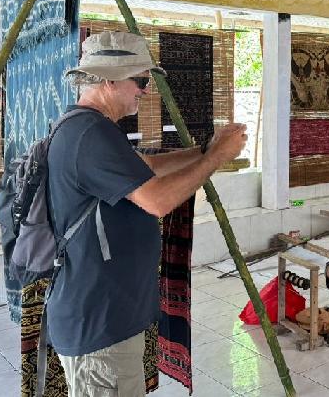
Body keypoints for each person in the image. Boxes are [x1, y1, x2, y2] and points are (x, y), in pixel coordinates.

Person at [46, 31, 247, 396]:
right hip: (99, 323)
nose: (145, 89)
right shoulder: (91, 134)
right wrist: (217, 159)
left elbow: (148, 167)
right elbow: (157, 200)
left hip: (105, 315)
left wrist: (205, 149)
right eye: (140, 80)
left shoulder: (93, 130)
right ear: (109, 80)